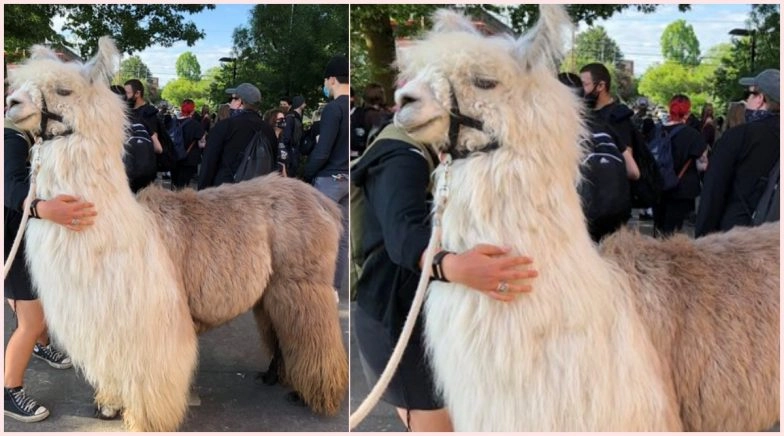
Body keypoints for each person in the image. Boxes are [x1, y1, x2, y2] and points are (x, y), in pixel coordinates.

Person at [351, 121, 538, 432]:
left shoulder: (441, 150)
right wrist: (455, 267)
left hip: (429, 317)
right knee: (436, 423)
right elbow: (402, 233)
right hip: (395, 317)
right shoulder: (402, 154)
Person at [4, 121, 97, 422]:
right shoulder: (13, 136)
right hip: (12, 244)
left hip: (21, 239)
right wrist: (44, 209)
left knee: (34, 306)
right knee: (30, 321)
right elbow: (8, 184)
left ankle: (41, 346)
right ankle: (9, 390)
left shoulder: (25, 135)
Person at [695, 69, 780, 237]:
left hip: (736, 239)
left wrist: (702, 241)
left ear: (760, 99)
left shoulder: (738, 137)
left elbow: (713, 195)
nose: (746, 101)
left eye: (749, 94)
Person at [304, 55, 350, 297]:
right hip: (350, 180)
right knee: (342, 238)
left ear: (332, 79)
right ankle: (332, 290)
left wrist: (306, 172)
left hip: (329, 180)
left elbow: (323, 151)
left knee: (320, 237)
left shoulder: (334, 109)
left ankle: (318, 289)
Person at [197, 83, 278, 190]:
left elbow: (208, 164)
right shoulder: (269, 130)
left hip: (225, 193)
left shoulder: (225, 126)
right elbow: (273, 165)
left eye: (232, 99)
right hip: (257, 194)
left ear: (240, 102)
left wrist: (202, 192)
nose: (230, 103)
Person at [651, 94, 707, 236]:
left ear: (670, 109)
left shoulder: (655, 131)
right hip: (680, 188)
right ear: (687, 112)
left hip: (658, 186)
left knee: (659, 226)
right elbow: (703, 165)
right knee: (673, 231)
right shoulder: (693, 135)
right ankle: (668, 256)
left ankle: (656, 252)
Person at [579, 63, 641, 183]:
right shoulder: (587, 114)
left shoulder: (618, 117)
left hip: (609, 192)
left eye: (585, 85)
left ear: (601, 86)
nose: (581, 90)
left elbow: (625, 163)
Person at [171, 99, 205, 189]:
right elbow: (202, 144)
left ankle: (172, 198)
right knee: (183, 185)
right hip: (188, 159)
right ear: (193, 110)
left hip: (174, 157)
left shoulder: (172, 122)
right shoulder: (195, 125)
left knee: (174, 183)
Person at [281, 95, 306, 178]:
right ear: (300, 104)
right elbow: (287, 137)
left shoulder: (295, 117)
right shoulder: (291, 117)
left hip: (294, 151)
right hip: (292, 152)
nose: (305, 104)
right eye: (303, 102)